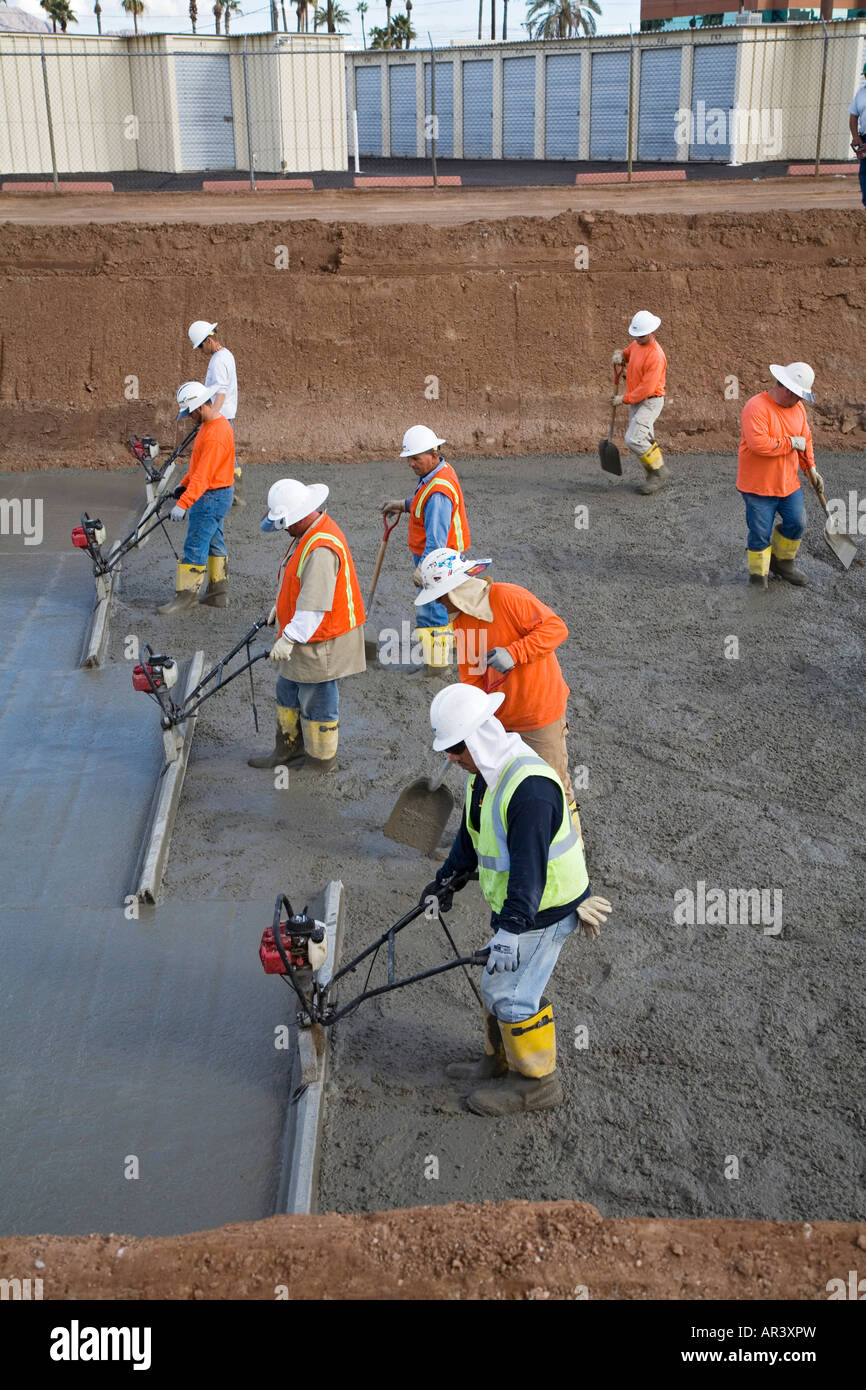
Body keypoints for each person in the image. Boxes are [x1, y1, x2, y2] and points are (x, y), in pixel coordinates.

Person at [419, 684, 611, 1117]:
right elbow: (472, 840)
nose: (449, 757)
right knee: (496, 982)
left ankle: (536, 1084)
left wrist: (510, 931)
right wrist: (444, 881)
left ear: (476, 737)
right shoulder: (483, 777)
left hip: (545, 908)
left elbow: (530, 872)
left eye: (454, 748)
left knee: (512, 992)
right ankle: (498, 1061)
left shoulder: (531, 790)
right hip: (519, 906)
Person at [414, 548, 583, 842]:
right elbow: (473, 680)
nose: (439, 604)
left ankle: (570, 850)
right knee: (493, 781)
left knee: (553, 785)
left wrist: (514, 653)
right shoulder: (463, 625)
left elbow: (556, 628)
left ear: (456, 590)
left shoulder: (507, 597)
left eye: (440, 596)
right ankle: (499, 841)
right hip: (499, 719)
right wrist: (468, 721)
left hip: (538, 714)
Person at [248, 479, 366, 773]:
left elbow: (315, 606)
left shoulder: (321, 548)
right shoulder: (309, 534)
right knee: (286, 689)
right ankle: (287, 750)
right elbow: (299, 582)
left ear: (299, 515)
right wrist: (281, 607)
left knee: (318, 698)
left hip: (324, 638)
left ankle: (321, 761)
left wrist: (288, 638)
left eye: (285, 523)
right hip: (308, 632)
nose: (283, 529)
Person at [380, 426, 471, 672]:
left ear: (433, 453)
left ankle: (437, 666)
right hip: (446, 557)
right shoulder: (437, 473)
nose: (410, 463)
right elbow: (423, 502)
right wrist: (404, 505)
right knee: (445, 607)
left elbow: (436, 540)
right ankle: (449, 648)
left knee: (431, 613)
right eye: (408, 458)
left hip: (438, 560)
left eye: (415, 458)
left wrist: (423, 568)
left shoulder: (439, 492)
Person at [737, 362, 823, 589]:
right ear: (787, 389)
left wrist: (810, 468)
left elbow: (805, 440)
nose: (800, 401)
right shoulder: (756, 407)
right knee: (760, 532)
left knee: (797, 522)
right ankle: (758, 577)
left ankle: (783, 564)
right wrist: (790, 443)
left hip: (788, 484)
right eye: (798, 396)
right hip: (758, 487)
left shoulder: (798, 409)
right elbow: (759, 445)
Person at [158, 381, 234, 613]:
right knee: (214, 541)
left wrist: (183, 504)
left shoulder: (214, 435)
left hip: (211, 497)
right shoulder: (213, 425)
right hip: (218, 493)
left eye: (190, 413)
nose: (189, 418)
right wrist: (183, 485)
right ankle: (218, 594)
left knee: (194, 545)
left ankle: (186, 598)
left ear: (199, 407)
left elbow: (203, 476)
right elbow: (198, 468)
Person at [612, 310, 668, 495]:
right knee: (644, 439)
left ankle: (659, 474)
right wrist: (621, 355)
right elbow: (629, 352)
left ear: (651, 332)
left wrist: (624, 399)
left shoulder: (656, 356)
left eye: (641, 335)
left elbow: (647, 389)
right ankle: (653, 475)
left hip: (649, 402)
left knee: (634, 439)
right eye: (634, 335)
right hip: (638, 400)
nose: (636, 338)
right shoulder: (638, 343)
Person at [188, 319, 243, 507]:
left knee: (220, 455)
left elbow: (221, 391)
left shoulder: (218, 361)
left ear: (208, 341)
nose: (200, 351)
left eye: (200, 347)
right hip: (225, 414)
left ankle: (230, 494)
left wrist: (212, 417)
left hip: (221, 415)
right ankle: (233, 493)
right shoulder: (226, 355)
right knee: (228, 455)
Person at [848, 61, 866, 210]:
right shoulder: (861, 93)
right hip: (864, 138)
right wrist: (855, 136)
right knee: (864, 172)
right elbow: (853, 116)